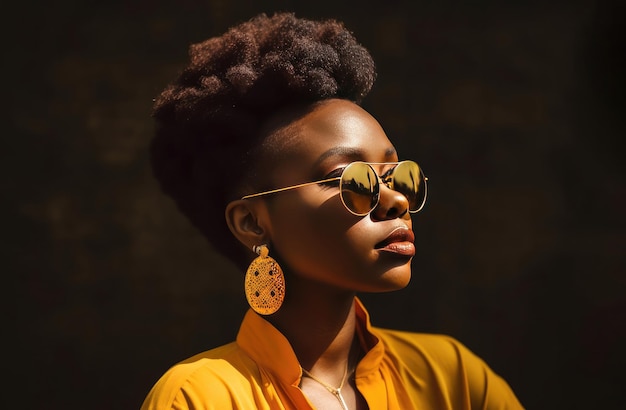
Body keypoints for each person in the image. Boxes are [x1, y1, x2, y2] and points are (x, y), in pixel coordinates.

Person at [140, 12, 524, 410]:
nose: (396, 201)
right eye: (353, 181)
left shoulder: (454, 378)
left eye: (398, 176)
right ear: (252, 222)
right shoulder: (197, 397)